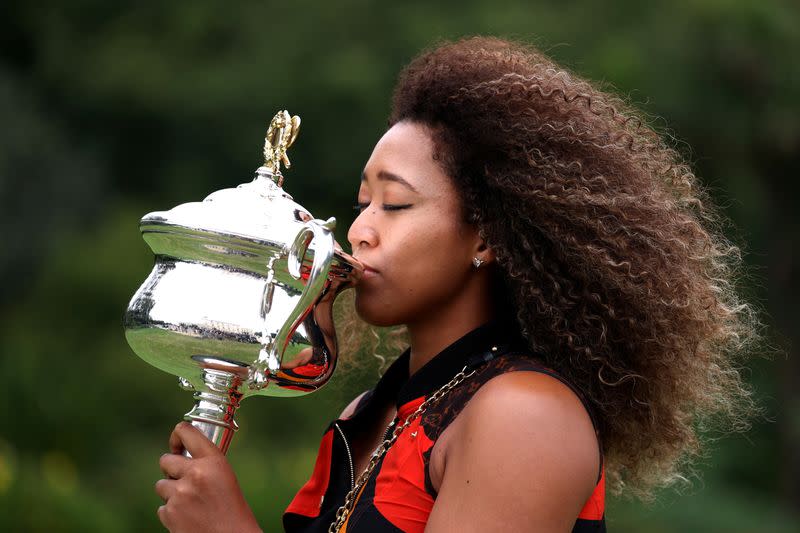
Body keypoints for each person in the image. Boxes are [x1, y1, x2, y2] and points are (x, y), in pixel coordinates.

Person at [154, 36, 760, 532]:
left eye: (394, 205)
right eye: (362, 203)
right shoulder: (371, 414)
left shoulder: (526, 416)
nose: (359, 232)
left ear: (486, 237)